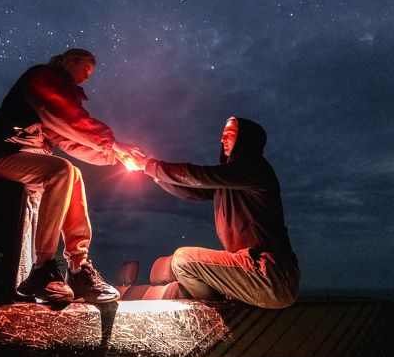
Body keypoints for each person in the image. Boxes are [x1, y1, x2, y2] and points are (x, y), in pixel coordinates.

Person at [0, 48, 141, 304]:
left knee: (74, 174)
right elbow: (66, 116)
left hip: (27, 159)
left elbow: (67, 140)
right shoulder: (41, 78)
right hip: (0, 155)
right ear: (70, 60)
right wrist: (112, 143)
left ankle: (78, 267)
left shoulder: (62, 93)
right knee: (61, 170)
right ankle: (43, 268)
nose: (87, 77)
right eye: (85, 70)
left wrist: (114, 156)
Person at [125, 117, 300, 308]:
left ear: (245, 139)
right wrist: (152, 173)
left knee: (183, 259)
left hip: (271, 275)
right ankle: (221, 313)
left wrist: (151, 166)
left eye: (230, 134)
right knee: (184, 267)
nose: (222, 139)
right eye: (223, 135)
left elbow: (200, 176)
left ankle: (219, 314)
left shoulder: (255, 169)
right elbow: (190, 189)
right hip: (252, 270)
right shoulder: (231, 183)